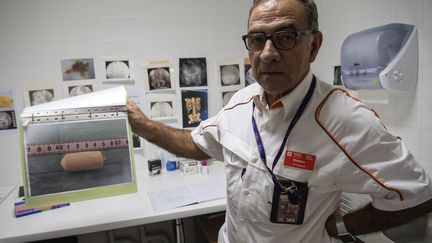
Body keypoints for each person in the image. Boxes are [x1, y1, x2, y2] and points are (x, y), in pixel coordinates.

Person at [127, 0, 432, 242]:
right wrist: (142, 124)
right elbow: (197, 144)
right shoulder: (240, 104)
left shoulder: (346, 121)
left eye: (286, 37)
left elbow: (416, 196)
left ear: (313, 46)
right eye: (257, 40)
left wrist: (341, 226)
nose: (268, 53)